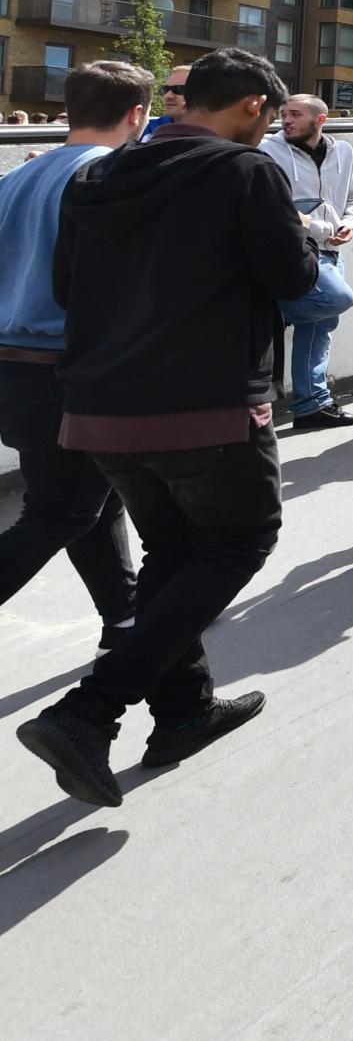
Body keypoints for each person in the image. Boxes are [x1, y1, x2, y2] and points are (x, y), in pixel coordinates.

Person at [15, 48, 316, 809]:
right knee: (237, 543)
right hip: (207, 406)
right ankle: (89, 711)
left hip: (95, 410)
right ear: (251, 106)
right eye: (269, 117)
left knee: (173, 551)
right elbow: (294, 281)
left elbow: (64, 286)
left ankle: (183, 712)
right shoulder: (246, 173)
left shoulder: (97, 175)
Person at [0, 60, 147, 656]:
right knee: (62, 509)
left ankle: (125, 617)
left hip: (13, 364)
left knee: (92, 497)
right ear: (137, 115)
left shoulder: (15, 178)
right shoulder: (107, 177)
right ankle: (128, 618)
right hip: (67, 367)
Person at [262, 93, 353, 432]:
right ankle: (278, 311)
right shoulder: (268, 150)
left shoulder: (344, 152)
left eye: (294, 114)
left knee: (320, 325)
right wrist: (324, 228)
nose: (286, 120)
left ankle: (310, 405)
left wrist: (351, 224)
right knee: (337, 300)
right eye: (283, 114)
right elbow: (277, 207)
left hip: (333, 250)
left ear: (320, 119)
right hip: (294, 249)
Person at [138, 60, 189, 139]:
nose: (168, 96)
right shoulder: (151, 128)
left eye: (179, 89)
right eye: (166, 89)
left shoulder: (211, 134)